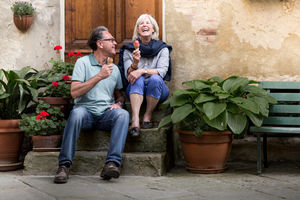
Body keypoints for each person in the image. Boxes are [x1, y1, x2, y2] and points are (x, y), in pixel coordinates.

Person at [54, 26, 129, 184]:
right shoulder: (83, 63)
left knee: (123, 115)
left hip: (106, 115)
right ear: (100, 43)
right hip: (85, 112)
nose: (115, 43)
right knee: (76, 114)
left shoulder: (114, 69)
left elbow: (119, 93)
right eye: (111, 40)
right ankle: (64, 166)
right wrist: (99, 76)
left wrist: (120, 103)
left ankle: (112, 163)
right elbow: (74, 92)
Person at [118, 14, 172, 137]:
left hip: (157, 88)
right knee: (137, 79)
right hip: (135, 88)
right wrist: (135, 63)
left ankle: (148, 114)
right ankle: (135, 119)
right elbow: (129, 76)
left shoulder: (162, 48)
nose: (144, 25)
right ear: (138, 30)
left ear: (153, 29)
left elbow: (162, 71)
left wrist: (142, 70)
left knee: (155, 78)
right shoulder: (129, 49)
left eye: (148, 23)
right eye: (141, 24)